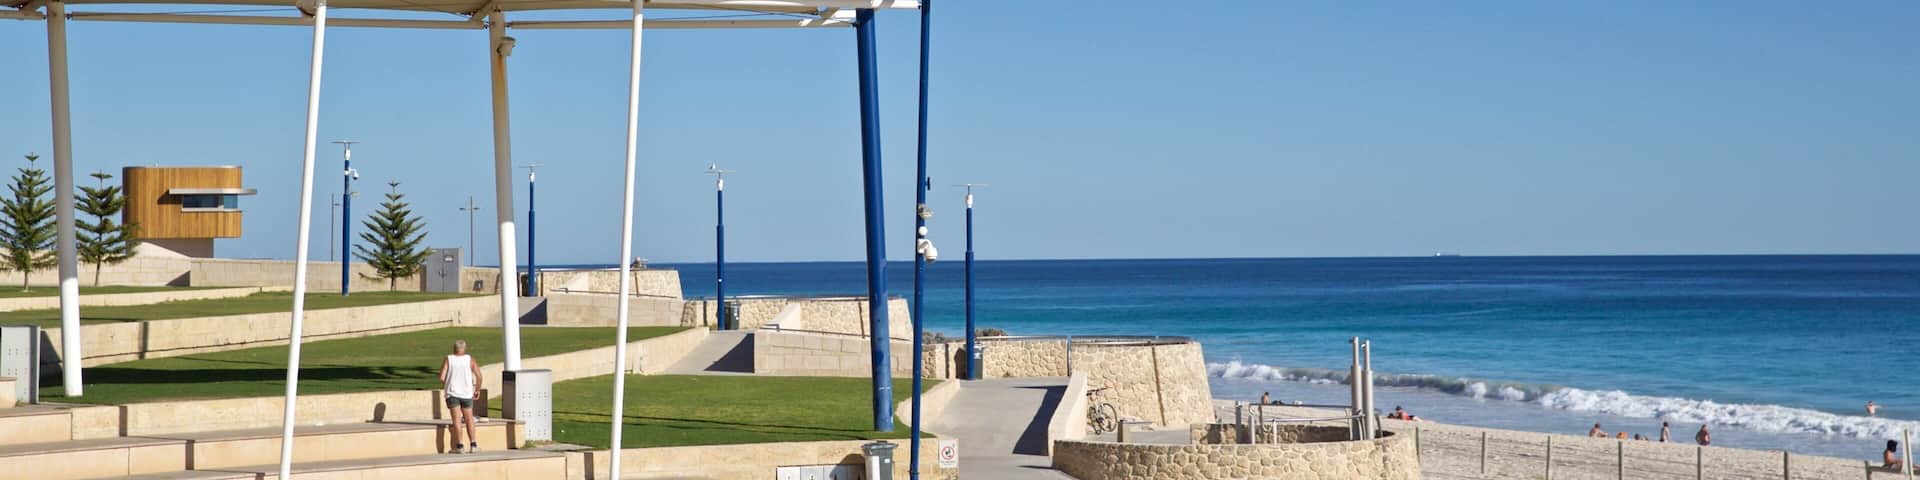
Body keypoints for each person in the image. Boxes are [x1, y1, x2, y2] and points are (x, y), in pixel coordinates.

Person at [439, 339, 483, 454]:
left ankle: (459, 446)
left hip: (452, 393)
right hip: (467, 394)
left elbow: (442, 377)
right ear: (464, 349)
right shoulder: (470, 359)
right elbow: (479, 376)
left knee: (456, 420)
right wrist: (477, 390)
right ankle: (473, 444)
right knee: (469, 419)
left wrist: (448, 385)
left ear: (454, 349)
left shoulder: (448, 359)